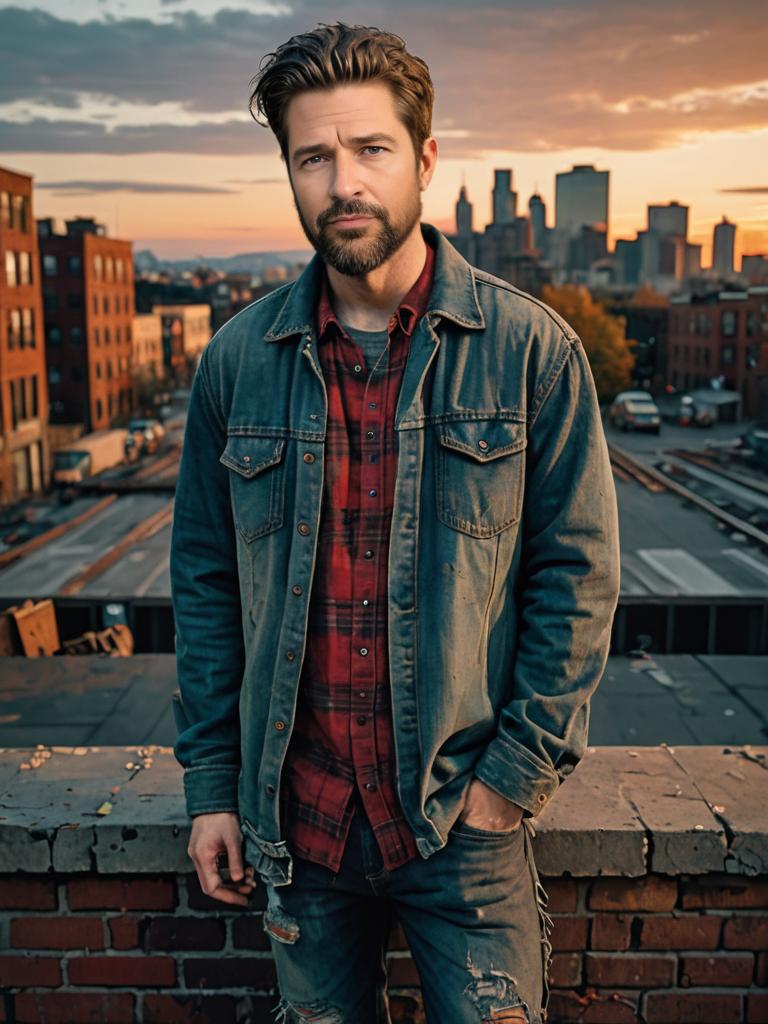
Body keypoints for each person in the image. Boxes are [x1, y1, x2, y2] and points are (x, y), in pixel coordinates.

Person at [170, 21, 621, 1024]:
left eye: (370, 149)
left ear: (423, 158)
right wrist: (212, 787)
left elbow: (577, 578)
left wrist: (511, 781)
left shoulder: (530, 352)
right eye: (314, 156)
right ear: (288, 171)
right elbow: (204, 585)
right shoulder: (237, 364)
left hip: (463, 823)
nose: (343, 184)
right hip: (300, 827)